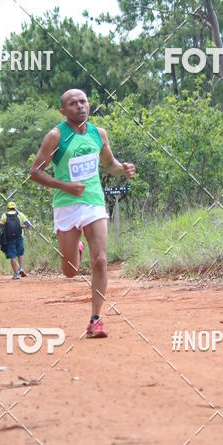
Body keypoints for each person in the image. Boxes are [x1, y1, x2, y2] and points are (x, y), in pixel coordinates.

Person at [30, 88, 135, 338]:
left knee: (99, 259)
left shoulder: (99, 134)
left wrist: (124, 169)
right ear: (63, 111)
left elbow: (109, 165)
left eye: (83, 101)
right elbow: (35, 172)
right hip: (66, 204)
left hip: (93, 202)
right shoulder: (56, 136)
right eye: (73, 103)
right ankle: (75, 251)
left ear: (89, 105)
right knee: (70, 271)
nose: (80, 106)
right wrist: (64, 186)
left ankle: (95, 320)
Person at [0, 201, 31, 279]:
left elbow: (0, 225)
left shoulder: (4, 215)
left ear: (8, 208)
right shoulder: (20, 215)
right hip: (19, 237)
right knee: (20, 253)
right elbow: (28, 225)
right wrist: (21, 226)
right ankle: (21, 268)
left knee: (12, 256)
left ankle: (16, 274)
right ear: (15, 208)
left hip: (9, 239)